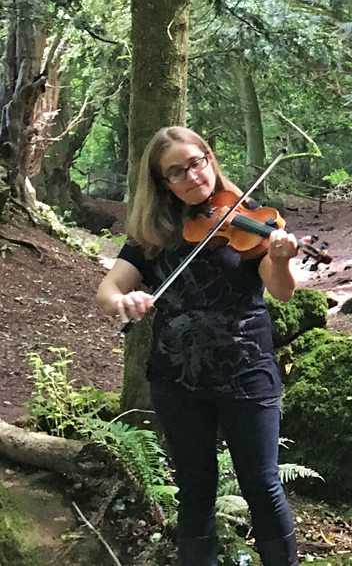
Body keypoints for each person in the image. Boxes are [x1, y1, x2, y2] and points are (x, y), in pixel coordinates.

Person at [96, 126, 300, 566]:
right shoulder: (154, 234)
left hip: (247, 374)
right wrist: (123, 300)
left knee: (262, 486)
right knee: (194, 490)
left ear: (210, 158)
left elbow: (280, 291)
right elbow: (108, 289)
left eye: (197, 162)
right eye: (175, 172)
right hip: (176, 379)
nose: (191, 176)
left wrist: (281, 258)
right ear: (162, 183)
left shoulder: (251, 221)